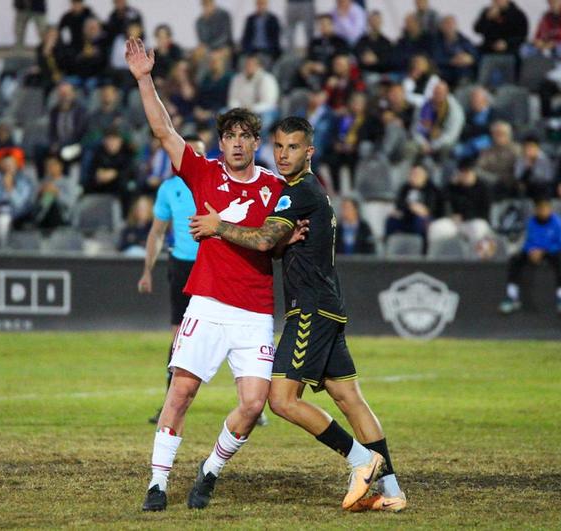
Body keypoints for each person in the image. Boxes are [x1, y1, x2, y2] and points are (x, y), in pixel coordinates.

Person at [189, 116, 407, 513]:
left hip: (308, 309)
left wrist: (219, 226)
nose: (283, 154)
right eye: (279, 146)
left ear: (309, 152)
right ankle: (392, 489)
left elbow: (264, 239)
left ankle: (362, 460)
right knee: (348, 397)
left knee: (282, 399)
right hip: (329, 306)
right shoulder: (313, 191)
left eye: (292, 147)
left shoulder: (295, 193)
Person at [125, 37, 288, 512]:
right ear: (221, 143)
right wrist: (143, 78)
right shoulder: (203, 173)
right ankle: (157, 482)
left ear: (256, 143)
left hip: (255, 311)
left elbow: (277, 240)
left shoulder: (275, 187)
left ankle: (211, 469)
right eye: (229, 137)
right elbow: (163, 130)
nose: (237, 144)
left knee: (255, 404)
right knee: (182, 392)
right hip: (209, 304)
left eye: (245, 137)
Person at [138, 135, 204, 424]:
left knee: (230, 330)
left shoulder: (214, 183)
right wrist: (147, 270)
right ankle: (168, 404)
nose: (193, 159)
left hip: (212, 265)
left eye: (198, 154)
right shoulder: (169, 189)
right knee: (179, 334)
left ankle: (253, 405)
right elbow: (157, 231)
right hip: (180, 266)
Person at [499, 196, 561, 314]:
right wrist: (531, 250)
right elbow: (528, 241)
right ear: (536, 210)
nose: (542, 212)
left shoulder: (557, 222)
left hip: (551, 251)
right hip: (534, 251)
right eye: (540, 209)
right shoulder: (531, 222)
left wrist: (543, 251)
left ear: (550, 210)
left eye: (545, 209)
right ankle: (512, 297)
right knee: (515, 260)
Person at [428, 159, 494, 255]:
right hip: (455, 223)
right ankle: (433, 259)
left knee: (479, 228)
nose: (465, 175)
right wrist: (451, 184)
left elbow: (484, 213)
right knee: (436, 228)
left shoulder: (483, 188)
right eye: (462, 172)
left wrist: (464, 216)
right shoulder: (454, 187)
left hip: (474, 222)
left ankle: (477, 262)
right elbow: (440, 200)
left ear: (474, 172)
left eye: (468, 172)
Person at [386, 164, 443, 253]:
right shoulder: (405, 188)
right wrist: (410, 207)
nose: (414, 176)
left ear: (425, 175)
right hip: (406, 216)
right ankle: (389, 251)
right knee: (391, 220)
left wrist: (415, 208)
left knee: (419, 221)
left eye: (417, 174)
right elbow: (399, 205)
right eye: (413, 174)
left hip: (425, 220)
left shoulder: (432, 189)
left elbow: (427, 210)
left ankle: (422, 252)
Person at [33, 155, 81, 230]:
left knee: (54, 206)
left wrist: (57, 193)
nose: (51, 167)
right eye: (48, 165)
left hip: (63, 219)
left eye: (53, 164)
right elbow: (42, 205)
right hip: (45, 219)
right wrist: (39, 195)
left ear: (60, 166)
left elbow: (72, 203)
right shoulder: (44, 183)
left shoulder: (68, 182)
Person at [354, 10, 394, 75]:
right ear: (369, 22)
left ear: (381, 22)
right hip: (364, 72)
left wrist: (376, 60)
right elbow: (357, 55)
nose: (375, 23)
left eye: (377, 20)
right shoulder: (362, 41)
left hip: (381, 73)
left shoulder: (386, 42)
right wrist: (364, 58)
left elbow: (388, 61)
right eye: (373, 20)